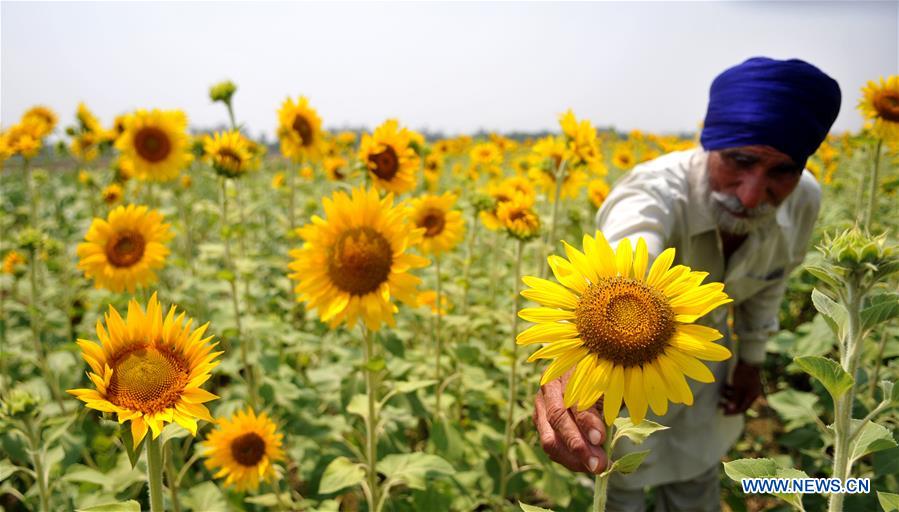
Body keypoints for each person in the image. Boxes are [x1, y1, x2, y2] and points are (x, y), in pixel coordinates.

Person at [532, 57, 842, 511]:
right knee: (618, 484)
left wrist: (752, 359)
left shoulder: (803, 200)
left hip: (704, 362)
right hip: (617, 375)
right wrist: (584, 346)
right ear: (710, 143)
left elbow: (771, 283)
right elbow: (625, 259)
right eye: (741, 160)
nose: (752, 194)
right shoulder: (654, 192)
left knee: (697, 480)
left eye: (781, 172)